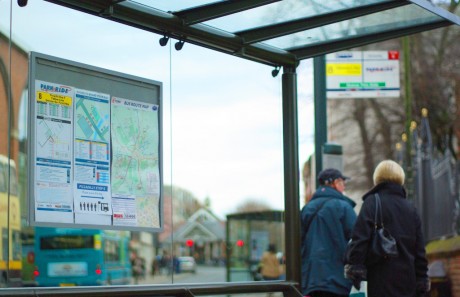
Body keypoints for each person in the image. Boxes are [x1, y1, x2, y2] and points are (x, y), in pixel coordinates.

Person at [345, 160, 430, 297]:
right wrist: (422, 281)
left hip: (379, 282)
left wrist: (356, 270)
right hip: (408, 284)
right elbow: (420, 251)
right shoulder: (411, 209)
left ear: (377, 178)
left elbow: (359, 240)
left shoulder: (372, 202)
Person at [301, 168, 357, 297]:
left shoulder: (307, 208)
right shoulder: (343, 207)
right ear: (335, 183)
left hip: (310, 280)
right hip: (337, 280)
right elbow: (356, 239)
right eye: (343, 183)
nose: (344, 187)